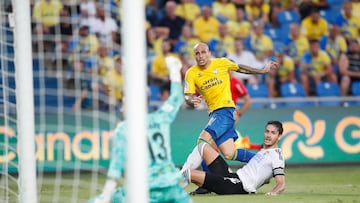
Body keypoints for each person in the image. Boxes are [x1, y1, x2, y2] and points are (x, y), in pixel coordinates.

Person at [87, 56, 192, 203]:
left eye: (124, 103)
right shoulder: (160, 118)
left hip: (145, 191)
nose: (122, 108)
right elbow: (176, 98)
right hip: (172, 187)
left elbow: (116, 169)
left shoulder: (124, 129)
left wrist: (105, 195)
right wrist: (174, 73)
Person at [181, 42, 277, 177]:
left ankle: (182, 177)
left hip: (226, 110)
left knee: (203, 141)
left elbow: (241, 68)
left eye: (203, 52)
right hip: (214, 113)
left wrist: (262, 71)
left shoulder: (222, 63)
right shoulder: (191, 73)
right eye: (197, 53)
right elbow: (187, 96)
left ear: (209, 53)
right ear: (194, 56)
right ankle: (265, 161)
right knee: (229, 153)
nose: (201, 56)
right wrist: (192, 101)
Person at [182, 120, 286, 196]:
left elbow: (281, 184)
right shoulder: (264, 151)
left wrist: (273, 193)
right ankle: (204, 185)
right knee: (203, 146)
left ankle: (170, 191)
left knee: (188, 173)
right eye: (267, 131)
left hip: (236, 186)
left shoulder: (277, 156)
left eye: (273, 133)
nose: (268, 135)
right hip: (232, 176)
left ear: (279, 136)